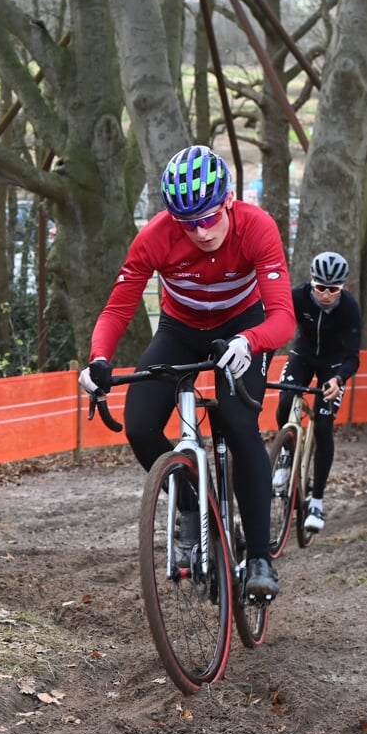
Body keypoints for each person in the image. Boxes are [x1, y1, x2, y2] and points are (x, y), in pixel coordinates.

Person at [78, 145, 296, 599]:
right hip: (180, 329)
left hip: (244, 328)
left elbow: (283, 318)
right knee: (139, 425)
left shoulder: (257, 227)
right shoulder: (155, 236)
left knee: (238, 423)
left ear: (230, 200)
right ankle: (194, 503)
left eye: (209, 217)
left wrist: (250, 341)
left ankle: (258, 556)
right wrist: (98, 359)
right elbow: (118, 308)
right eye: (188, 222)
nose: (200, 231)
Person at [274, 251, 361, 535]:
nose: (325, 294)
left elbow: (353, 356)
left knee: (324, 427)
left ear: (343, 287)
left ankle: (317, 502)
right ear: (311, 283)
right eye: (320, 287)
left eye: (333, 289)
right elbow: (275, 329)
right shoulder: (297, 297)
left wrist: (339, 379)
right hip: (303, 356)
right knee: (286, 399)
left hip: (334, 366)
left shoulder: (349, 308)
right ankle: (286, 454)